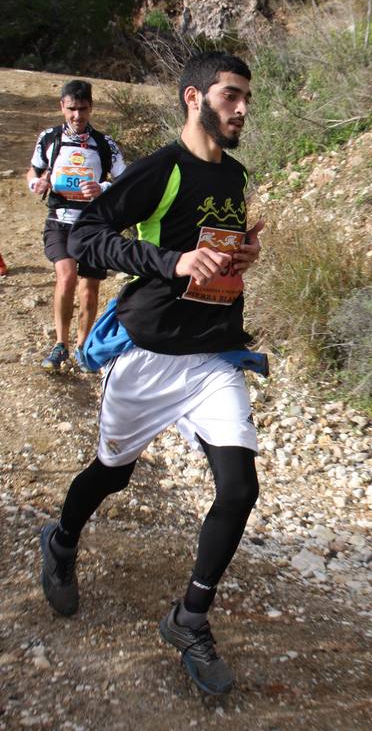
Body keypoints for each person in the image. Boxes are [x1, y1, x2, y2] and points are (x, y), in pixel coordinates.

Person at [39, 52, 264, 696]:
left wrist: (244, 251)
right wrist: (168, 260)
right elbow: (86, 235)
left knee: (239, 488)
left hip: (213, 356)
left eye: (246, 97)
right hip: (149, 352)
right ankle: (62, 539)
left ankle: (189, 619)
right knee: (114, 474)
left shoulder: (237, 175)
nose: (242, 108)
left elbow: (219, 250)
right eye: (230, 96)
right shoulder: (160, 170)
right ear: (194, 97)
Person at [27, 79, 126, 371]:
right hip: (59, 220)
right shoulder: (49, 138)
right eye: (71, 109)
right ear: (62, 106)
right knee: (67, 276)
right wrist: (38, 182)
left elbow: (126, 180)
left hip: (94, 226)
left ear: (91, 108)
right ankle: (60, 344)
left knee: (89, 289)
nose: (77, 116)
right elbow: (33, 170)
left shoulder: (105, 144)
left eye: (83, 109)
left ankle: (83, 346)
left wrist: (103, 187)